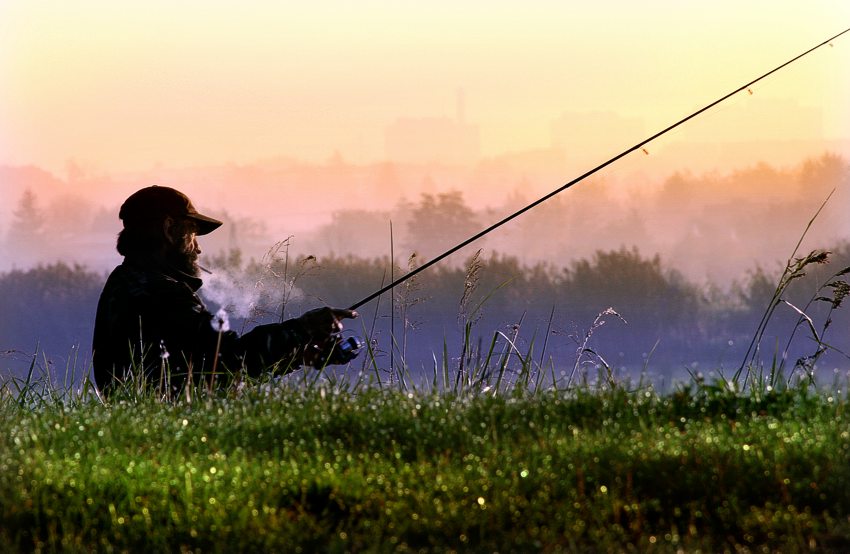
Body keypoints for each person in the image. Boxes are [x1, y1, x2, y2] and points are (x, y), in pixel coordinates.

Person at [92, 185, 357, 394]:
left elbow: (211, 369)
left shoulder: (126, 280)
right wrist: (303, 329)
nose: (198, 249)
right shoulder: (160, 293)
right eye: (192, 234)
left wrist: (300, 354)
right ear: (169, 229)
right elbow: (234, 360)